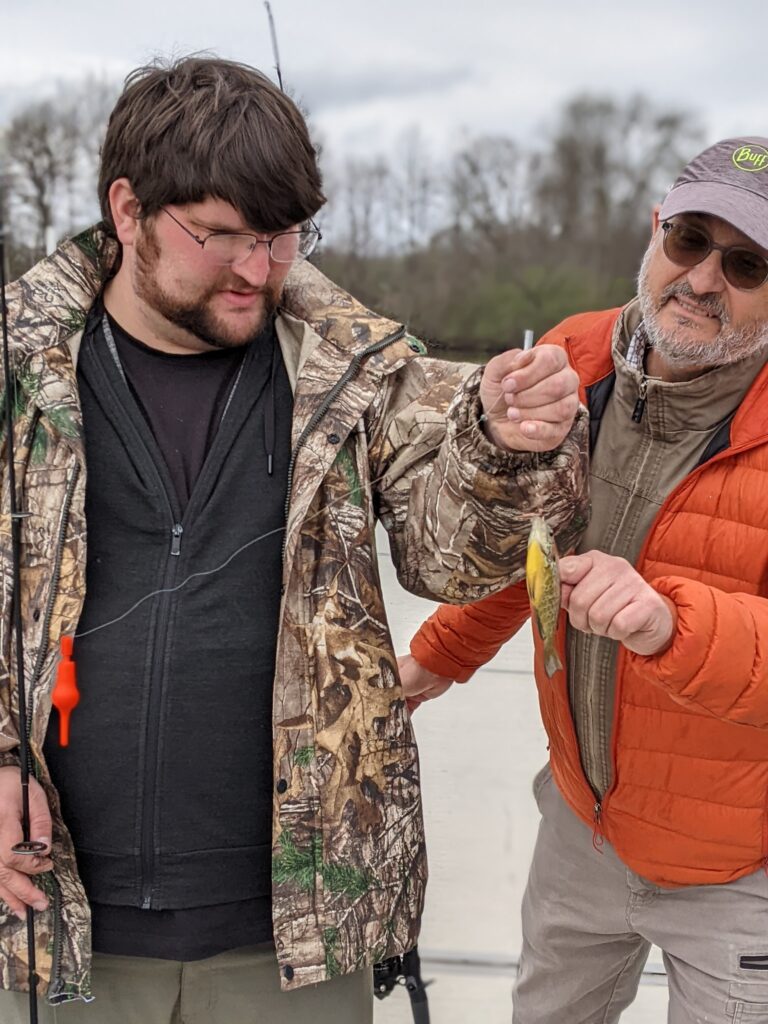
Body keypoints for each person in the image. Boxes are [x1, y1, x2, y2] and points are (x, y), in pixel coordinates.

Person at [0, 56, 588, 1023]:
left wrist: (501, 447)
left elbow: (456, 561)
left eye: (281, 236)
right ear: (127, 208)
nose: (259, 269)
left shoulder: (362, 373)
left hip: (297, 940)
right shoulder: (21, 367)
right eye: (220, 235)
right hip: (49, 930)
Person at [402, 137, 768, 1023]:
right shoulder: (575, 360)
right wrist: (435, 661)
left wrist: (665, 625)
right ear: (654, 232)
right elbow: (527, 549)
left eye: (747, 262)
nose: (703, 279)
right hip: (581, 826)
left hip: (740, 868)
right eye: (689, 240)